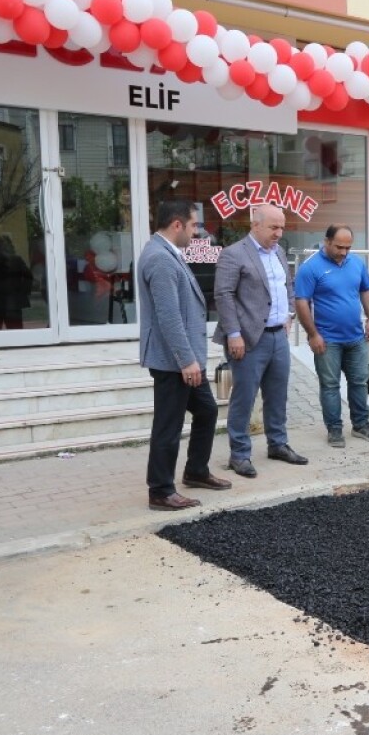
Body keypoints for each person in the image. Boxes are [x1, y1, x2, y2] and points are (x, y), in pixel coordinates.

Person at [139, 200, 231, 510]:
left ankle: (195, 471)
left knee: (206, 411)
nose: (197, 232)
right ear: (177, 225)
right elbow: (168, 317)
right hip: (174, 362)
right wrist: (186, 360)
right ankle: (161, 490)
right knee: (168, 424)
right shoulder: (160, 259)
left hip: (185, 360)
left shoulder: (168, 254)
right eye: (193, 225)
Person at [212, 204, 307, 478]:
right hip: (248, 339)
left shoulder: (277, 251)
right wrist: (233, 334)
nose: (279, 233)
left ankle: (278, 444)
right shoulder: (233, 254)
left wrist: (289, 314)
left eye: (282, 227)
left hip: (278, 336)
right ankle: (239, 455)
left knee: (278, 395)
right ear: (255, 225)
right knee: (244, 398)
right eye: (273, 227)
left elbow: (288, 286)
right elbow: (224, 295)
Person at [295, 224, 369, 448]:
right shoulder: (311, 268)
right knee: (330, 385)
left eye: (348, 247)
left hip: (356, 337)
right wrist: (312, 334)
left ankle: (361, 425)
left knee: (359, 382)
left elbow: (367, 289)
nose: (344, 252)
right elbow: (301, 302)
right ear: (326, 242)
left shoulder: (356, 263)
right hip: (327, 340)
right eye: (339, 247)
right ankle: (334, 429)